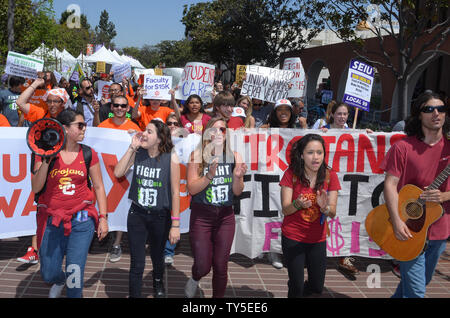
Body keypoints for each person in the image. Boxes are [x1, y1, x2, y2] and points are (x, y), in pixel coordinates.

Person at [33, 109, 109, 298]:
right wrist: (46, 160)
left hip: (82, 220)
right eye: (80, 125)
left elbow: (99, 187)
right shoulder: (43, 151)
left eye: (84, 125)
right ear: (64, 129)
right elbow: (36, 187)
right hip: (52, 220)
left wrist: (103, 218)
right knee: (48, 272)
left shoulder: (88, 153)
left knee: (75, 272)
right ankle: (60, 280)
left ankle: (72, 288)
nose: (85, 129)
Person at [380, 91, 449, 298]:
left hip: (440, 228)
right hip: (408, 225)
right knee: (417, 292)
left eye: (441, 109)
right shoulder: (403, 147)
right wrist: (396, 219)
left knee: (416, 283)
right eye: (428, 109)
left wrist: (444, 197)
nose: (436, 113)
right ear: (419, 115)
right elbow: (390, 185)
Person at [114, 120, 181, 298]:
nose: (144, 134)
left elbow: (175, 192)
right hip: (137, 214)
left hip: (160, 216)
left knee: (157, 256)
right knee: (137, 262)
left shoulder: (171, 157)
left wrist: (175, 224)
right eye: (145, 130)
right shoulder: (138, 153)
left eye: (149, 132)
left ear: (159, 139)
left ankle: (158, 281)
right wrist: (131, 148)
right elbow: (118, 173)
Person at [185, 117, 247, 298]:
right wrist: (209, 176)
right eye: (214, 129)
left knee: (221, 265)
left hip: (225, 217)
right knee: (203, 265)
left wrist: (237, 177)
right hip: (201, 215)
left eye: (223, 130)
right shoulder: (197, 156)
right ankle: (195, 277)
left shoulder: (235, 156)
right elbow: (191, 188)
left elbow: (237, 192)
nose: (218, 133)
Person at [280, 134, 340, 297]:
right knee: (296, 286)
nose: (316, 157)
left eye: (319, 153)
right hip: (293, 237)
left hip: (317, 239)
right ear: (301, 155)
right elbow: (285, 209)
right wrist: (297, 204)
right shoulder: (291, 174)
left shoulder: (330, 175)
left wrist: (324, 207)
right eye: (310, 152)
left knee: (316, 287)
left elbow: (332, 212)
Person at [98, 95, 141, 262]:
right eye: (116, 105)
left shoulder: (134, 127)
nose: (119, 108)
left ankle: (117, 242)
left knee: (121, 206)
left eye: (123, 106)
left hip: (125, 174)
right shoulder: (102, 126)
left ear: (128, 108)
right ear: (111, 107)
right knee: (105, 203)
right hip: (105, 172)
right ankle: (104, 230)